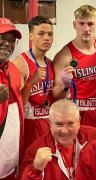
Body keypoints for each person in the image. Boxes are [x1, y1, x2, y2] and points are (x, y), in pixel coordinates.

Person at [53, 4, 96, 135]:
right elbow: (56, 96)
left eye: (90, 24)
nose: (86, 29)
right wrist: (65, 84)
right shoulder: (64, 56)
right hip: (77, 114)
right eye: (81, 23)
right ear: (74, 25)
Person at [19, 99, 96, 180]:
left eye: (70, 124)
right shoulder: (36, 150)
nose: (65, 131)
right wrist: (35, 170)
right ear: (50, 123)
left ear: (79, 121)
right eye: (59, 124)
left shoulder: (93, 136)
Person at [13, 16, 55, 150]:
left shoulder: (51, 63)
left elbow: (54, 96)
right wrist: (31, 82)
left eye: (50, 34)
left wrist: (65, 85)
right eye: (41, 34)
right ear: (31, 36)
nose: (46, 38)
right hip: (29, 125)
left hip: (49, 124)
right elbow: (15, 102)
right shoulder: (21, 63)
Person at [0, 17, 24, 179]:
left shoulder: (13, 68)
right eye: (2, 38)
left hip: (10, 159)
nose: (7, 43)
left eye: (12, 40)